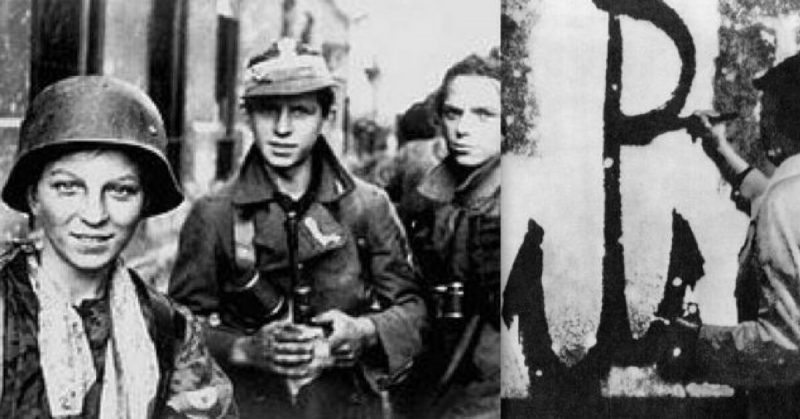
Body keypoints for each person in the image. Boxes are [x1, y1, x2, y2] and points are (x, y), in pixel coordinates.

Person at [168, 38, 426, 418]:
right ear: (247, 114)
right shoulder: (214, 214)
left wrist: (362, 332)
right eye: (268, 111)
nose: (283, 129)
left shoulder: (366, 206)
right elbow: (175, 328)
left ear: (326, 116)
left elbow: (413, 309)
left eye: (301, 112)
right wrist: (245, 349)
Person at [0, 76, 235, 418]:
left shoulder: (169, 330)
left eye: (121, 191)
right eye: (68, 187)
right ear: (34, 197)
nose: (94, 215)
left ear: (145, 201)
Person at [655, 52, 800, 416]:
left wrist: (691, 345)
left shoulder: (784, 201)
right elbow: (764, 196)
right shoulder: (787, 194)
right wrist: (719, 149)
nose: (758, 120)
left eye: (766, 111)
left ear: (788, 117)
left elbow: (783, 348)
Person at [394, 50, 501, 419]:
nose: (463, 128)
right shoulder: (432, 196)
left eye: (484, 114)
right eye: (453, 114)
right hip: (441, 372)